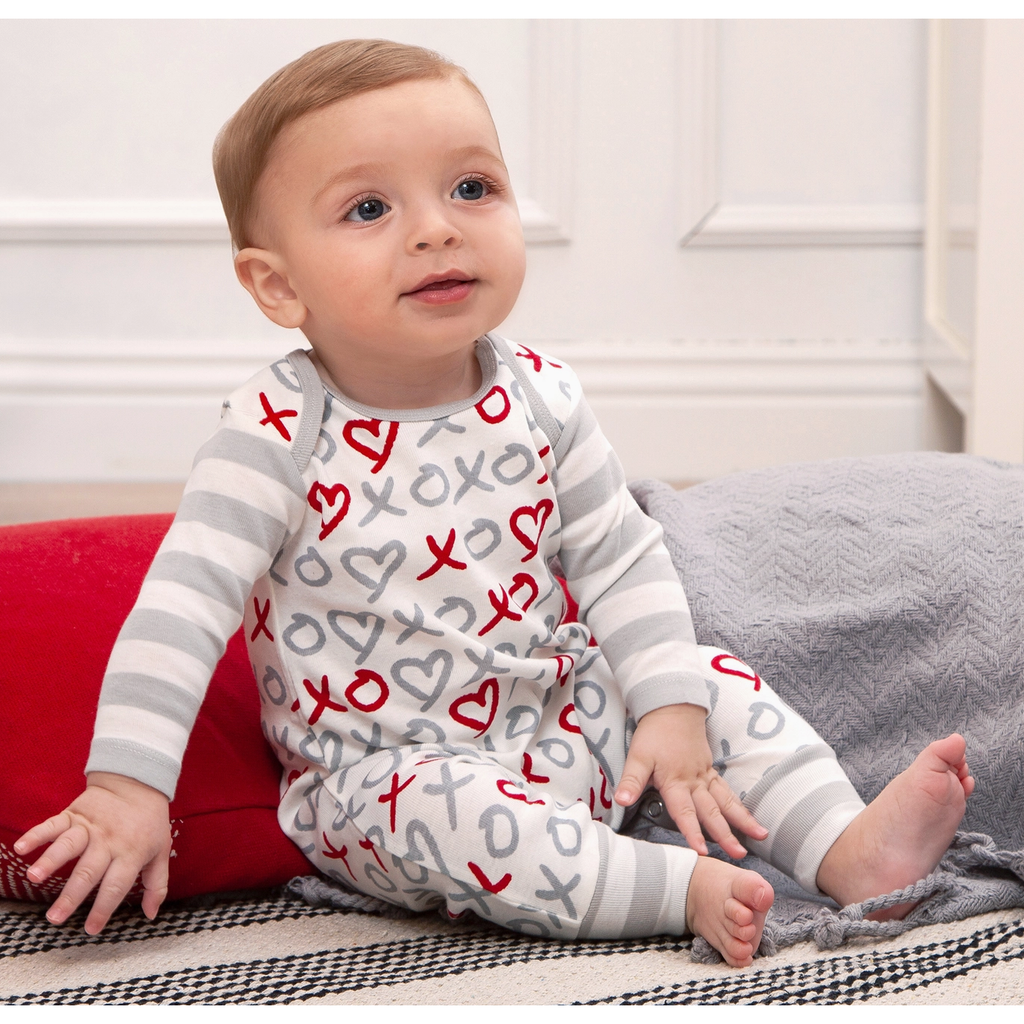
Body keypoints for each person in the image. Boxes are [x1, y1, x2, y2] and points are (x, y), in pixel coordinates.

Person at [14, 39, 975, 968]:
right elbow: (179, 611)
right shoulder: (274, 429)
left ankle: (847, 848)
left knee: (713, 679)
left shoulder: (541, 395)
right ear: (277, 283)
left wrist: (669, 708)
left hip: (554, 719)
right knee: (455, 815)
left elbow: (623, 556)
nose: (438, 228)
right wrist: (127, 789)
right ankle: (670, 886)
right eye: (369, 208)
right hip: (385, 783)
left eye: (472, 188)